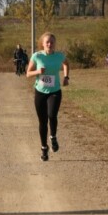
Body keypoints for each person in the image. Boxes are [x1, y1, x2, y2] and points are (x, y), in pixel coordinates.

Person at [26, 32, 70, 161]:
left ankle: (53, 137)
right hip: (40, 92)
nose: (50, 44)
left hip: (55, 91)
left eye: (52, 42)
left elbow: (66, 64)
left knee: (52, 115)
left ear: (55, 44)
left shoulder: (59, 56)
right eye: (47, 42)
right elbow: (28, 74)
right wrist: (38, 72)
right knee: (43, 122)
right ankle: (44, 148)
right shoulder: (37, 56)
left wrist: (66, 77)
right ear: (43, 44)